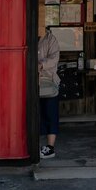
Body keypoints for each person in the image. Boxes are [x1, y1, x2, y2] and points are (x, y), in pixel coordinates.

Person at [38, 27, 60, 159]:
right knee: (36, 115)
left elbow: (54, 58)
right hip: (31, 81)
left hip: (48, 80)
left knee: (50, 114)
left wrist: (41, 64)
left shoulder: (51, 39)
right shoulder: (27, 34)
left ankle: (50, 147)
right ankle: (37, 145)